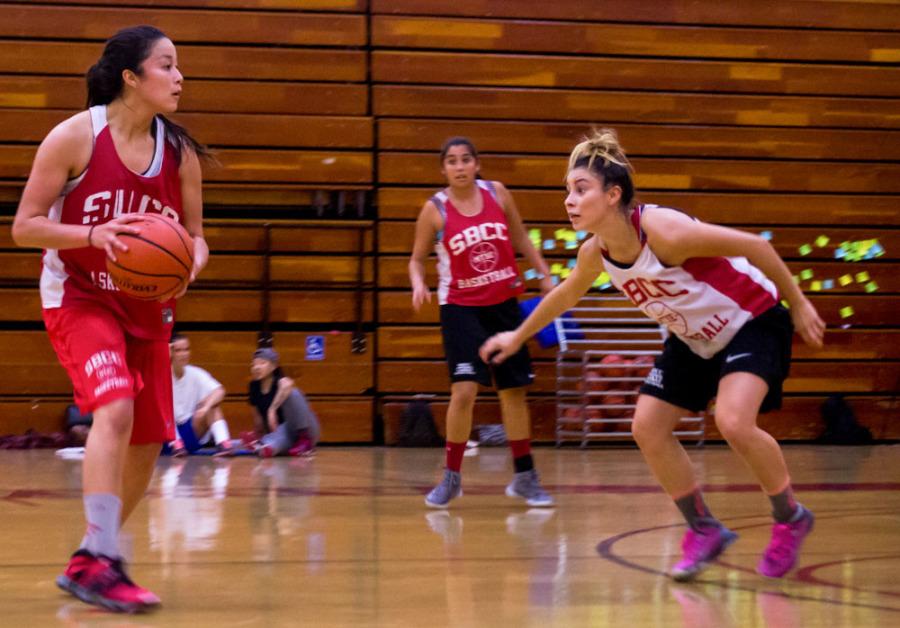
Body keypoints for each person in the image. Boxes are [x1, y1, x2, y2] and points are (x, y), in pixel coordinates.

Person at [480, 128, 825, 581]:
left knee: (734, 421)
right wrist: (518, 335)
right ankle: (703, 528)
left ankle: (790, 516)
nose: (569, 200)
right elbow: (564, 296)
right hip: (696, 339)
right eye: (567, 190)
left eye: (580, 189)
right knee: (647, 427)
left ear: (613, 194)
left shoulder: (664, 232)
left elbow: (756, 246)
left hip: (752, 320)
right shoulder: (595, 254)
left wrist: (798, 303)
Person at [11, 25, 209, 612]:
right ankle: (106, 560)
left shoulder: (179, 153)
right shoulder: (74, 137)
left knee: (149, 438)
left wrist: (188, 261)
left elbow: (196, 237)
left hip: (147, 304)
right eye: (167, 66)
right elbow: (25, 226)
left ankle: (90, 559)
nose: (179, 77)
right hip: (78, 295)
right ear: (131, 76)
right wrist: (92, 233)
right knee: (115, 405)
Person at [409, 136, 556, 509]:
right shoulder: (434, 209)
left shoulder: (498, 193)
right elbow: (416, 259)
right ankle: (452, 477)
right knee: (464, 391)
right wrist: (416, 282)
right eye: (452, 161)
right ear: (443, 169)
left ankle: (525, 476)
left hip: (504, 304)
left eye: (465, 160)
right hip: (460, 307)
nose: (459, 167)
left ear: (476, 164)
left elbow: (520, 236)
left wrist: (543, 273)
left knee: (513, 391)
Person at [169, 333, 239, 456]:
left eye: (186, 349)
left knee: (213, 405)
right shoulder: (160, 376)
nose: (184, 354)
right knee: (159, 409)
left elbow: (220, 391)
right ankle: (175, 444)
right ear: (170, 352)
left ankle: (224, 444)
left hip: (190, 431)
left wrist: (206, 407)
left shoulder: (196, 373)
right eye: (178, 350)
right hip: (167, 437)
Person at [248, 348, 320, 457]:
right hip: (285, 433)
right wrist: (257, 433)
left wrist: (272, 409)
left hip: (306, 429)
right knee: (272, 442)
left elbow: (288, 385)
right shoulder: (254, 386)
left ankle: (304, 441)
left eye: (262, 363)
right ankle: (263, 446)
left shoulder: (282, 381)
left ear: (274, 366)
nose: (257, 367)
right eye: (254, 364)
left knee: (294, 393)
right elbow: (258, 419)